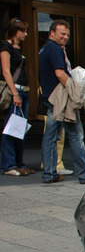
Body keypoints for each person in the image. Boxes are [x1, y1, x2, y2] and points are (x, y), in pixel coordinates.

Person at [39, 19, 85, 184]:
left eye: (67, 35)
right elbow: (60, 74)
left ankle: (49, 174)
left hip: (50, 99)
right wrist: (75, 93)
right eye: (62, 33)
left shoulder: (44, 49)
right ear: (52, 32)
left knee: (50, 137)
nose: (65, 37)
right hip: (61, 99)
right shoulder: (55, 49)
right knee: (76, 135)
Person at [1, 17, 35, 176]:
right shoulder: (5, 46)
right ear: (15, 31)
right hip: (16, 91)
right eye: (23, 31)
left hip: (23, 91)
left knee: (19, 129)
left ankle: (19, 163)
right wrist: (15, 93)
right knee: (11, 128)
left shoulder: (17, 48)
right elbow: (6, 71)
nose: (25, 34)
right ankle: (9, 165)